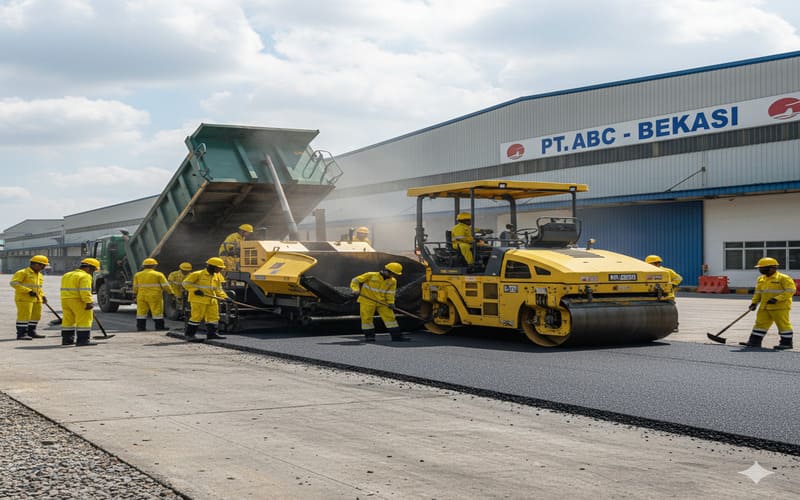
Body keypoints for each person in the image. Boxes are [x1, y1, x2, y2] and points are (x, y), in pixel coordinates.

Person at [739, 257, 795, 349]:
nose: (761, 270)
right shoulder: (761, 279)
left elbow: (790, 291)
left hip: (780, 307)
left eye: (763, 268)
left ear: (773, 268)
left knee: (783, 325)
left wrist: (777, 299)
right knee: (760, 325)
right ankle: (754, 342)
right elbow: (758, 293)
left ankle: (786, 343)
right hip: (764, 307)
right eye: (760, 268)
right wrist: (754, 303)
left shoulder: (784, 278)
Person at [350, 262, 408, 342]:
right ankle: (369, 336)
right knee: (366, 319)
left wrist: (391, 303)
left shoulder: (392, 281)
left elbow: (390, 293)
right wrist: (355, 290)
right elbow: (355, 280)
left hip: (382, 302)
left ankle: (396, 336)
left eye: (394, 274)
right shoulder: (371, 275)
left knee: (390, 318)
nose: (393, 276)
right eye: (392, 274)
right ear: (387, 270)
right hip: (367, 301)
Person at [182, 257, 231, 342]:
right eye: (219, 267)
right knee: (196, 317)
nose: (220, 269)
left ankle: (212, 334)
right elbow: (185, 283)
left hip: (212, 300)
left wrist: (225, 297)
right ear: (212, 266)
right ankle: (189, 335)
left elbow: (218, 289)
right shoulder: (197, 274)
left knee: (214, 317)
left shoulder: (217, 276)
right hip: (198, 300)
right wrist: (195, 290)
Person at [60, 258, 101, 346]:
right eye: (93, 270)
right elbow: (85, 291)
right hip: (78, 300)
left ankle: (67, 340)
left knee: (68, 321)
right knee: (84, 320)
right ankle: (83, 340)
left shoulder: (67, 274)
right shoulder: (85, 276)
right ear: (88, 268)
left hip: (65, 300)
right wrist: (88, 302)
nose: (92, 272)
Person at [9, 255, 50, 340]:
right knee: (24, 316)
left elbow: (38, 288)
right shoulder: (23, 272)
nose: (44, 267)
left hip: (36, 299)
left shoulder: (39, 275)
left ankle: (31, 332)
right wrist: (28, 291)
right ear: (36, 264)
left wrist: (42, 296)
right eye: (43, 265)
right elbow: (14, 283)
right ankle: (21, 334)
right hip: (24, 299)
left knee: (36, 316)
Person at [132, 258, 172, 331]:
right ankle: (159, 327)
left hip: (141, 296)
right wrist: (171, 293)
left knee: (141, 312)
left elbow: (135, 287)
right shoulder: (158, 274)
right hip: (154, 296)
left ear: (144, 266)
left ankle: (141, 328)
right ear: (154, 266)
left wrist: (134, 295)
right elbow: (165, 285)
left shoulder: (137, 275)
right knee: (157, 312)